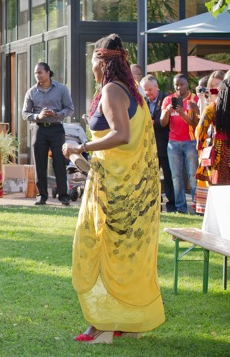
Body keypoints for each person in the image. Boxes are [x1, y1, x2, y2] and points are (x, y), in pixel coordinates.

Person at [63, 34, 165, 344]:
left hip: (115, 188)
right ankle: (128, 321)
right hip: (130, 186)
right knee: (125, 254)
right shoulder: (129, 91)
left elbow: (122, 135)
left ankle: (101, 326)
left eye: (93, 60)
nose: (91, 65)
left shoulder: (110, 91)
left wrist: (82, 145)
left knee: (97, 248)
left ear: (103, 62)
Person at [22, 62, 74, 206]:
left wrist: (57, 114)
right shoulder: (31, 92)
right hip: (39, 129)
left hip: (56, 128)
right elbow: (25, 113)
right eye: (35, 73)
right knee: (39, 163)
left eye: (40, 72)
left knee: (59, 162)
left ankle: (63, 195)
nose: (37, 75)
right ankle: (42, 196)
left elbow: (70, 109)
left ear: (48, 72)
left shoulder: (61, 89)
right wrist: (37, 116)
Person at [160, 74, 200, 213]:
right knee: (176, 177)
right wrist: (166, 112)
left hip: (190, 142)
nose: (179, 87)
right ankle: (180, 208)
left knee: (193, 175)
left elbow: (195, 123)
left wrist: (183, 113)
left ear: (187, 84)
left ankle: (196, 207)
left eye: (181, 84)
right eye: (176, 84)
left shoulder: (194, 99)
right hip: (173, 143)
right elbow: (162, 123)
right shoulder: (168, 100)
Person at [140, 74, 176, 212]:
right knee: (151, 176)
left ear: (157, 87)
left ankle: (172, 205)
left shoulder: (167, 99)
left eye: (150, 89)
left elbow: (165, 122)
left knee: (168, 176)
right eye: (145, 90)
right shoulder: (142, 101)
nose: (148, 93)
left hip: (165, 143)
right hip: (149, 145)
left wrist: (153, 122)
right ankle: (154, 204)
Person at [195, 69, 230, 187]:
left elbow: (200, 131)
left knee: (221, 192)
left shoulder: (213, 108)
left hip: (220, 154)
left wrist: (201, 145)